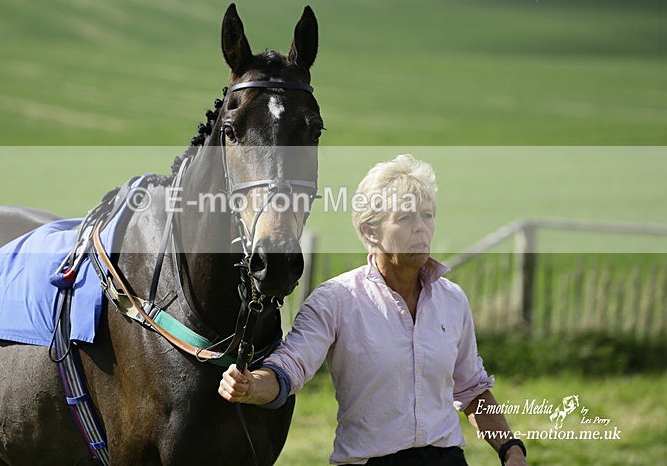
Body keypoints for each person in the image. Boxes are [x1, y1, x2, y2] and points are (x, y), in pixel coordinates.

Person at [218, 154, 528, 465]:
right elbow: (289, 367)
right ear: (370, 232)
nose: (421, 228)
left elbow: (472, 389)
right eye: (405, 218)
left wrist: (510, 449)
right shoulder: (336, 300)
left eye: (427, 215)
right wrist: (252, 386)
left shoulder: (452, 300)